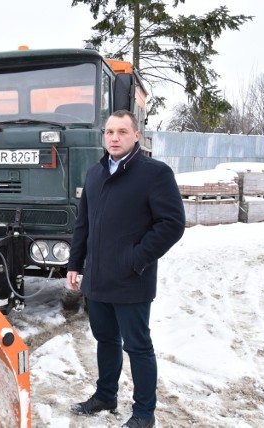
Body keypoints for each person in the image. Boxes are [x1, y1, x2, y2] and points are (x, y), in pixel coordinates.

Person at [67, 110, 185, 428]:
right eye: (109, 132)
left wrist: (136, 259)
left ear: (136, 136)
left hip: (133, 279)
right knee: (105, 339)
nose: (114, 138)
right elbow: (83, 225)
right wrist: (75, 264)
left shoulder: (154, 173)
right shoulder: (95, 174)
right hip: (98, 278)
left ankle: (144, 413)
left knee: (137, 345)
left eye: (122, 131)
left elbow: (172, 224)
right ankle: (106, 395)